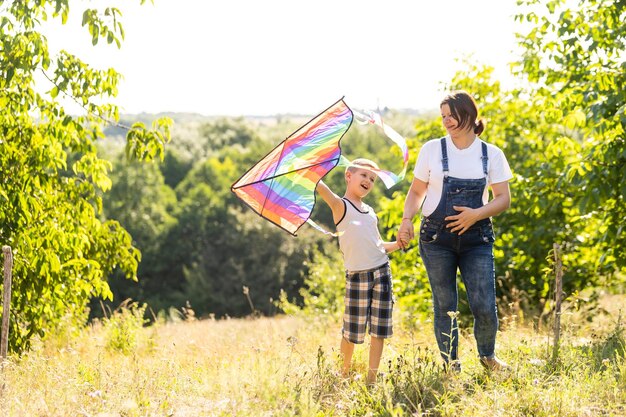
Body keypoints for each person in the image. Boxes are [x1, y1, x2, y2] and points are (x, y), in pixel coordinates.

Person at [397, 90, 513, 372]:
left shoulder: (491, 154)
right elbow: (416, 191)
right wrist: (406, 219)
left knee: (484, 303)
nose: (447, 121)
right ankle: (451, 364)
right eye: (443, 117)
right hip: (437, 239)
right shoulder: (432, 150)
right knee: (445, 304)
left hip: (477, 239)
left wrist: (475, 215)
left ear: (469, 114)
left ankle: (488, 357)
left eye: (452, 115)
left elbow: (503, 199)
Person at [316, 158, 403, 385]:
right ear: (349, 176)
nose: (368, 181)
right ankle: (343, 375)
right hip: (357, 277)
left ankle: (371, 379)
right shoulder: (341, 206)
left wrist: (397, 244)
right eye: (363, 175)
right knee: (352, 331)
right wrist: (308, 166)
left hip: (382, 273)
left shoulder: (370, 211)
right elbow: (320, 186)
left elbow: (377, 244)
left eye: (372, 179)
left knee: (379, 329)